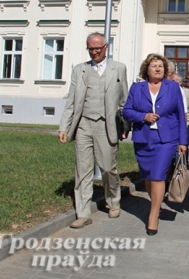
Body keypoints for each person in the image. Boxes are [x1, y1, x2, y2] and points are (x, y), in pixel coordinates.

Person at [58, 32, 129, 229]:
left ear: (106, 48)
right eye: (91, 49)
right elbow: (71, 101)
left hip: (107, 125)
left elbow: (124, 101)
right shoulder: (80, 70)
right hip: (84, 125)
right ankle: (83, 212)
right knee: (83, 170)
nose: (94, 52)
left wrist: (125, 126)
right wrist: (64, 126)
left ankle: (113, 201)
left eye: (98, 48)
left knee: (108, 168)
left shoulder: (119, 69)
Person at [123, 54, 188, 236]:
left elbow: (180, 115)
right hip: (143, 138)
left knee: (159, 175)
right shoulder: (137, 88)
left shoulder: (173, 87)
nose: (158, 69)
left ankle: (153, 215)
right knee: (148, 176)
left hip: (166, 139)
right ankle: (156, 204)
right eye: (154, 66)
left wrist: (183, 141)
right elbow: (127, 110)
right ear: (147, 69)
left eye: (161, 66)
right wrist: (143, 116)